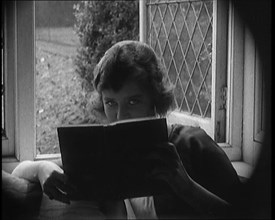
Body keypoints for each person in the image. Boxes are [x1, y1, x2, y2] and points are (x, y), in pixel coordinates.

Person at [11, 40, 241, 219]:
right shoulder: (104, 151)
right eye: (111, 103)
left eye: (133, 102)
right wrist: (42, 169)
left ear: (154, 99)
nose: (121, 116)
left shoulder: (193, 143)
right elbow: (18, 172)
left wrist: (187, 187)